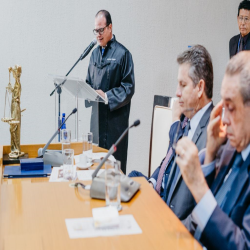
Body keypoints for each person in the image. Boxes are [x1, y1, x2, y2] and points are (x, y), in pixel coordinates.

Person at [129, 45, 214, 220]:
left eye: (183, 85)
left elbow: (203, 207)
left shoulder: (213, 133)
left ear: (200, 88)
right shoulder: (189, 121)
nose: (177, 92)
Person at [176, 51, 250, 250]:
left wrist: (198, 185)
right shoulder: (228, 146)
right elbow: (203, 212)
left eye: (231, 108)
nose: (223, 120)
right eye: (223, 106)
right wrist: (209, 153)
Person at [86, 10, 135, 174]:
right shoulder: (93, 55)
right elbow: (88, 82)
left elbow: (128, 88)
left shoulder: (123, 55)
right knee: (95, 168)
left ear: (110, 27)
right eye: (96, 31)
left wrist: (106, 96)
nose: (98, 35)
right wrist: (85, 90)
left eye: (101, 30)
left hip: (115, 123)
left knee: (114, 171)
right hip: (96, 123)